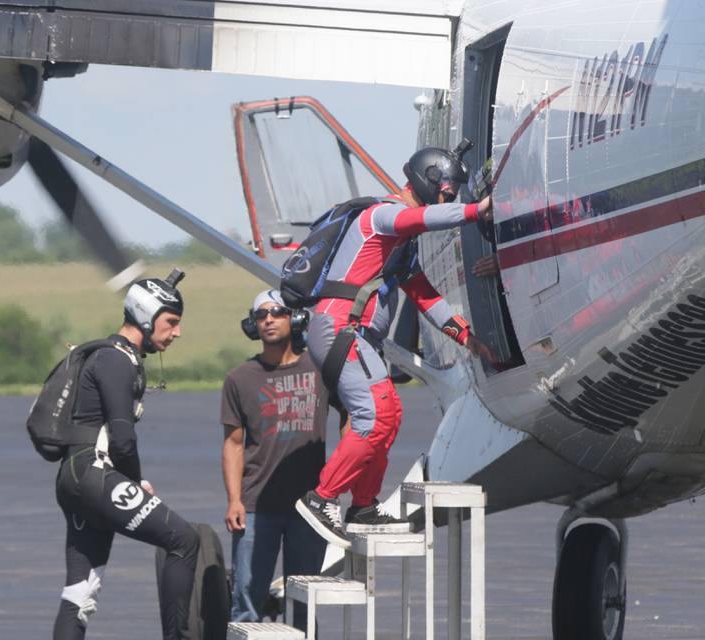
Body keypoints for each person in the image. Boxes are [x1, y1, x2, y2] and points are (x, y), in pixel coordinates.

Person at [295, 146, 495, 548]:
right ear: (427, 179)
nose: (450, 198)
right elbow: (419, 218)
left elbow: (422, 294)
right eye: (447, 190)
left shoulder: (400, 246)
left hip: (356, 336)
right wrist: (476, 211)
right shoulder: (383, 216)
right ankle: (322, 498)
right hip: (341, 329)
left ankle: (363, 507)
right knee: (374, 416)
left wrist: (465, 336)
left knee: (387, 415)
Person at [53, 275, 199, 640]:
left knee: (80, 593)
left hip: (76, 477)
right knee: (184, 540)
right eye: (172, 322)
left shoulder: (111, 357)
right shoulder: (116, 361)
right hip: (93, 474)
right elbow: (123, 438)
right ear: (147, 317)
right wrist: (136, 482)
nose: (177, 332)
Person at [221, 289, 346, 630]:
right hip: (256, 505)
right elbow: (233, 444)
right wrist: (234, 501)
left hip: (309, 508)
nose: (269, 320)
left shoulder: (320, 368)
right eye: (261, 316)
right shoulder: (239, 379)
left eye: (276, 312)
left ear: (295, 318)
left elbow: (351, 413)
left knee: (304, 604)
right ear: (252, 324)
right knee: (246, 604)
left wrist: (341, 473)